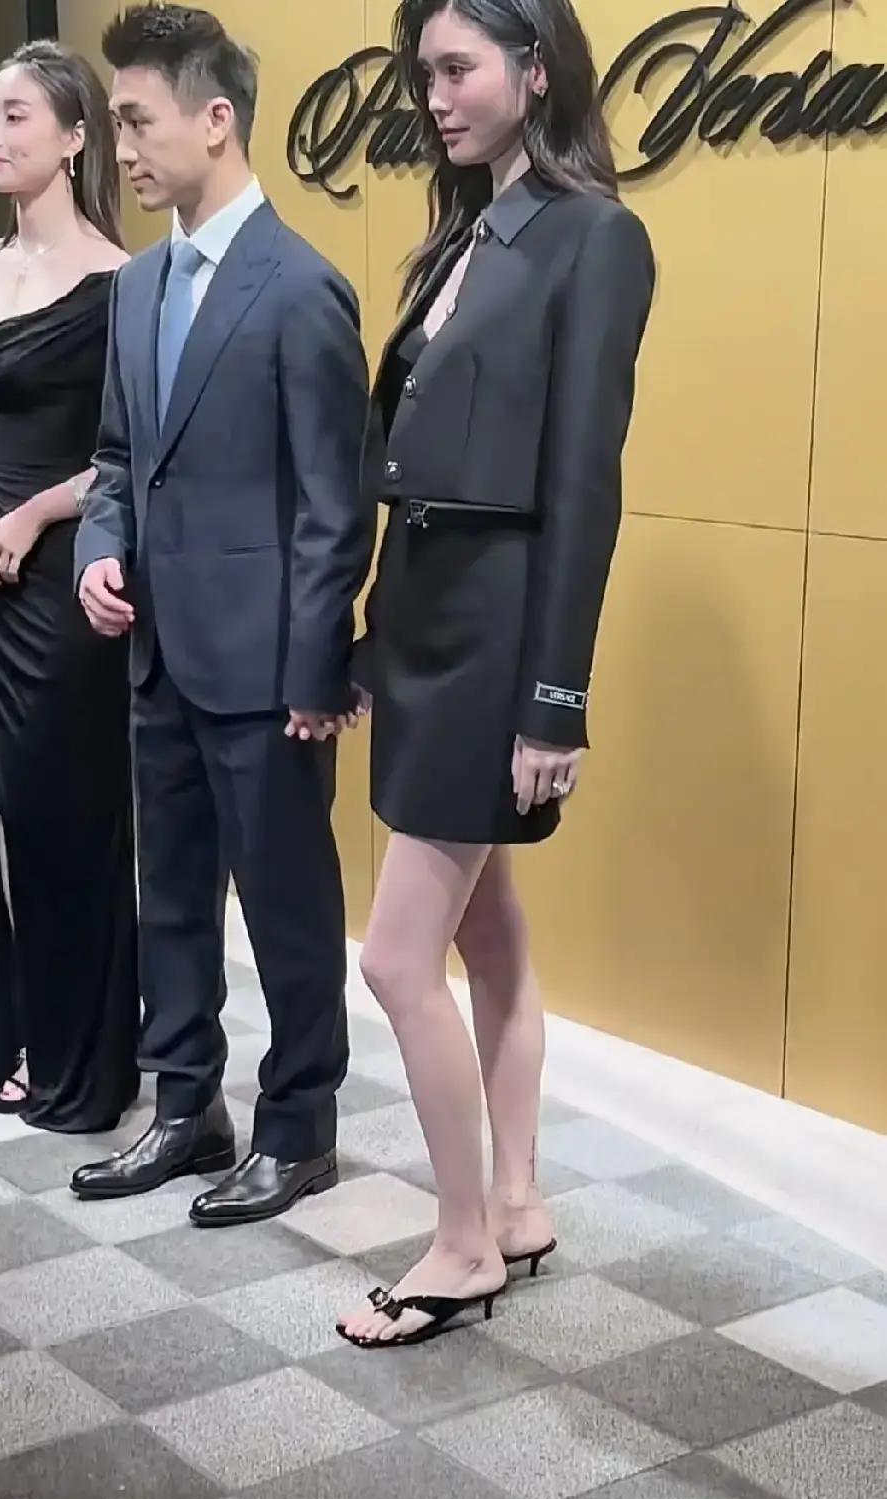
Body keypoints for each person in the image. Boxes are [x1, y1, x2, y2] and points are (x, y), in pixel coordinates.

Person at [338, 0, 655, 1348]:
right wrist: (370, 630)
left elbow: (584, 484)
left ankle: (461, 1244)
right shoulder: (465, 231)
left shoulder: (595, 237)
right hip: (424, 615)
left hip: (499, 631)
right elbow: (410, 454)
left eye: (458, 68)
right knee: (487, 930)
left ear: (535, 69)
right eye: (424, 73)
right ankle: (515, 1202)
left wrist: (554, 699)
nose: (435, 96)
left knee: (394, 960)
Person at [71, 6, 373, 1219]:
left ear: (214, 119)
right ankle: (185, 1107)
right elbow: (114, 460)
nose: (121, 149)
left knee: (290, 911)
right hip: (155, 654)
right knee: (174, 901)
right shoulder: (138, 285)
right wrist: (99, 551)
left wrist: (315, 671)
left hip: (267, 672)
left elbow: (335, 507)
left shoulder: (302, 288)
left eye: (135, 121)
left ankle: (298, 1129)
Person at [0, 41, 139, 1134]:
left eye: (16, 115)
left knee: (66, 815)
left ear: (75, 138)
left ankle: (84, 1055)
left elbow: (129, 452)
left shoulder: (122, 283)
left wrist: (29, 517)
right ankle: (18, 1027)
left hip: (64, 573)